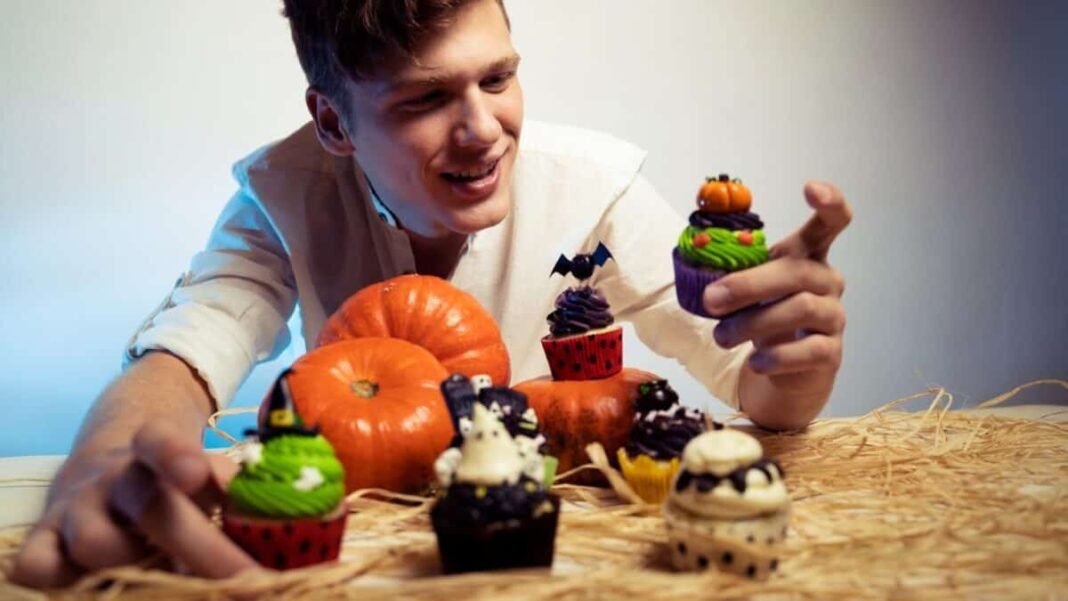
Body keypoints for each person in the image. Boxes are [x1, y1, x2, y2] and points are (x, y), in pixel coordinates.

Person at [11, 0, 850, 587]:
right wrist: (110, 449)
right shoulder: (282, 194)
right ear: (334, 123)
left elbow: (751, 374)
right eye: (425, 98)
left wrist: (796, 363)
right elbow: (191, 343)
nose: (483, 129)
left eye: (497, 78)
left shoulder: (595, 190)